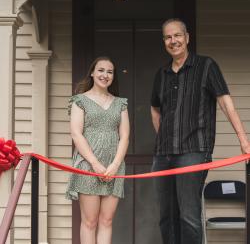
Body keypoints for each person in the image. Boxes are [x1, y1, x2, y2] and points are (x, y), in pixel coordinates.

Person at [150, 18, 250, 244]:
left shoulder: (206, 66)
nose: (173, 40)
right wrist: (163, 137)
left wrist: (244, 140)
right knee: (167, 217)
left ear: (187, 38)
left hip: (194, 151)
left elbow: (225, 103)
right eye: (168, 37)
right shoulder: (161, 73)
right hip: (163, 155)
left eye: (177, 35)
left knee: (188, 217)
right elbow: (155, 109)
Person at [66, 56, 130, 244]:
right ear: (92, 73)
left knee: (106, 220)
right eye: (101, 70)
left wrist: (115, 165)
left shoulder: (120, 103)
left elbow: (125, 136)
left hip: (113, 167)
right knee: (90, 221)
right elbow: (76, 134)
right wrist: (95, 164)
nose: (105, 75)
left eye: (110, 72)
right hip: (88, 165)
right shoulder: (80, 100)